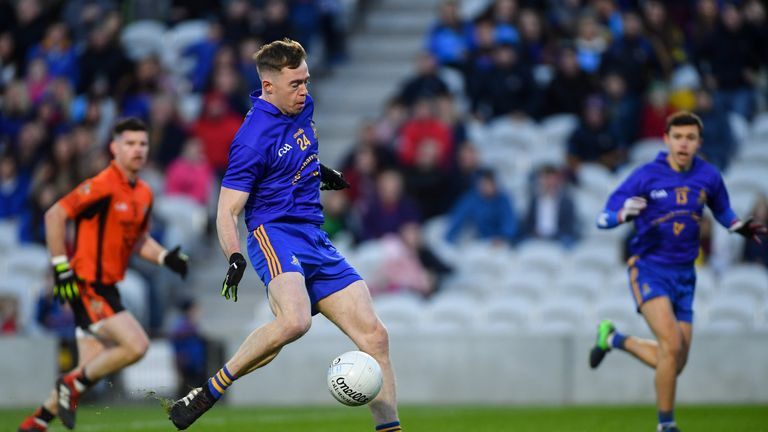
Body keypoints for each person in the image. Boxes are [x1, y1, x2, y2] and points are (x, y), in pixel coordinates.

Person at [167, 38, 402, 432]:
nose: (304, 91)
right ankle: (209, 391)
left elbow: (295, 149)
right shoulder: (250, 139)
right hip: (274, 234)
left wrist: (317, 170)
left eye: (306, 80)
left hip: (314, 235)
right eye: (295, 84)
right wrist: (234, 256)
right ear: (268, 86)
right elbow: (227, 209)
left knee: (376, 336)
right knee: (295, 321)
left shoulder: (301, 106)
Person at [589, 112, 767, 432]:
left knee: (675, 362)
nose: (684, 143)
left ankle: (612, 338)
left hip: (685, 276)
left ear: (699, 143)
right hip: (648, 269)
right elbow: (602, 217)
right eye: (678, 137)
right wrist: (622, 214)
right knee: (670, 346)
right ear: (666, 140)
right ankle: (666, 426)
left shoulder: (709, 176)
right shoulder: (645, 176)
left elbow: (723, 210)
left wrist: (739, 226)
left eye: (690, 138)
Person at [18, 118, 189, 432]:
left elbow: (137, 239)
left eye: (142, 143)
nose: (137, 149)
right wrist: (60, 267)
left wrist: (165, 256)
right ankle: (70, 383)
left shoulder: (144, 194)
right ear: (114, 147)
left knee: (87, 371)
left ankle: (35, 424)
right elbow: (54, 214)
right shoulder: (102, 185)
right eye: (130, 143)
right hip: (87, 284)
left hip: (109, 285)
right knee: (136, 345)